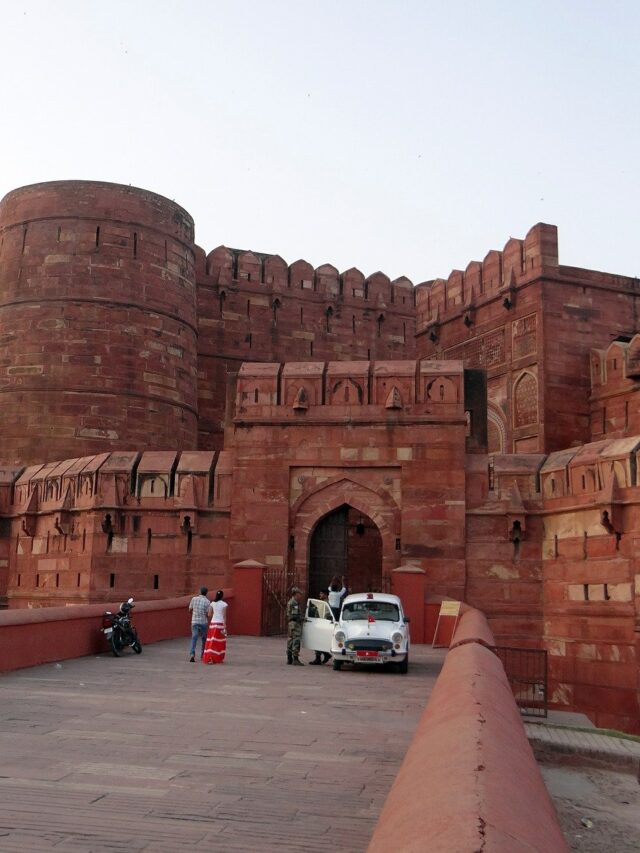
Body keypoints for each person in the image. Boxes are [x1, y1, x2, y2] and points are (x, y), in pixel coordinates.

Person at [202, 589, 228, 664]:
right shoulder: (224, 604)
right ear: (222, 596)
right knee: (219, 642)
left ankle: (210, 657)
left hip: (213, 624)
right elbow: (224, 616)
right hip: (220, 624)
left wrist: (215, 614)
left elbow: (209, 614)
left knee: (211, 641)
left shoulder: (212, 603)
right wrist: (225, 626)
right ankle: (218, 657)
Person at [309, 590, 332, 665]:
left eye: (321, 593)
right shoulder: (322, 603)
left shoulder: (326, 603)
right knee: (318, 641)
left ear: (325, 594)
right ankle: (326, 655)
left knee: (318, 641)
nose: (320, 594)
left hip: (323, 624)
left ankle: (318, 658)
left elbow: (326, 614)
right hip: (319, 623)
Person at [188, 585, 210, 662]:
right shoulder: (207, 601)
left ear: (200, 592)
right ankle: (203, 655)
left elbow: (190, 609)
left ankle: (192, 654)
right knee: (204, 639)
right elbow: (208, 614)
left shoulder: (194, 599)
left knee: (194, 637)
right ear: (206, 593)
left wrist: (194, 614)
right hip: (203, 622)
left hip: (194, 621)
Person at [286, 586, 305, 666]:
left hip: (291, 623)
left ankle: (289, 658)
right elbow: (295, 615)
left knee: (290, 640)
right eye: (299, 594)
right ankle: (295, 659)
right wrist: (302, 618)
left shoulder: (291, 601)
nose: (300, 596)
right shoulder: (294, 603)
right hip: (295, 623)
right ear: (296, 594)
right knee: (296, 640)